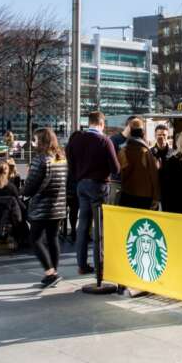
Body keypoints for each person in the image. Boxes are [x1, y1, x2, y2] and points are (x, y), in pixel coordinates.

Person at [65, 111, 120, 274]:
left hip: (81, 185)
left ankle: (82, 265)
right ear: (102, 124)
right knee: (99, 227)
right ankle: (100, 265)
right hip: (99, 186)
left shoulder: (76, 140)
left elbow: (70, 160)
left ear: (89, 122)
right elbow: (115, 168)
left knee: (82, 226)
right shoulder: (104, 140)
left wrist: (78, 175)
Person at [22, 128, 68, 288]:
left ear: (41, 141)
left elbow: (30, 186)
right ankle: (54, 271)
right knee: (52, 238)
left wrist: (24, 191)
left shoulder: (40, 160)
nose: (33, 143)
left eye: (35, 140)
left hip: (42, 207)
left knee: (35, 239)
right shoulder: (61, 158)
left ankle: (50, 272)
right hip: (59, 206)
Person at [117, 119, 160, 209]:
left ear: (130, 133)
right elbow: (154, 176)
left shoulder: (122, 151)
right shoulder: (145, 152)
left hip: (127, 194)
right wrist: (156, 197)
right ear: (143, 133)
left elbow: (120, 173)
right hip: (144, 197)